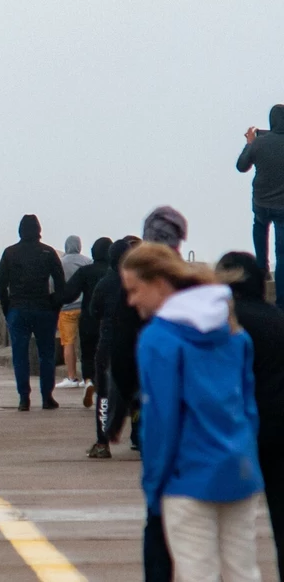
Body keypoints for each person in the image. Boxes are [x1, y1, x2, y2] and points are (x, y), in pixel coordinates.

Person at [123, 243, 263, 582]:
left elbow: (161, 421)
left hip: (188, 478)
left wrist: (154, 486)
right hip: (239, 471)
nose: (131, 301)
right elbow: (248, 408)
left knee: (197, 573)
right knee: (243, 570)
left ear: (159, 283)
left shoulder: (158, 339)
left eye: (134, 289)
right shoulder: (232, 330)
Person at [107, 207, 188, 582]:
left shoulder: (140, 283)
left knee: (158, 523)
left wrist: (130, 399)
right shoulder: (201, 286)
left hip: (161, 411)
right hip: (217, 442)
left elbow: (120, 348)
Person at [217, 251, 284, 582]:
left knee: (227, 529)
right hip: (279, 430)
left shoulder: (224, 323)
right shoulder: (277, 319)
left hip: (234, 434)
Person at [0, 215, 66, 411]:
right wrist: (55, 306)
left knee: (19, 355)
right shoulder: (47, 252)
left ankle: (24, 398)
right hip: (44, 309)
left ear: (20, 230)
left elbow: (1, 284)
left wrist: (7, 308)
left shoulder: (10, 253)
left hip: (18, 309)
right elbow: (60, 283)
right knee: (46, 354)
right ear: (38, 230)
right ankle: (47, 397)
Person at [85, 236, 137, 459]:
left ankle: (102, 442)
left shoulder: (105, 284)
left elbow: (93, 311)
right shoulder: (138, 282)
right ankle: (141, 438)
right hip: (134, 345)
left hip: (108, 345)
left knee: (104, 395)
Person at [237, 104, 284, 310]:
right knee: (282, 254)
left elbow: (241, 166)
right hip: (283, 207)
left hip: (261, 202)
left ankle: (262, 269)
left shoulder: (259, 144)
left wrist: (250, 143)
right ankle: (281, 303)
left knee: (259, 227)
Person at [59, 237, 112, 408]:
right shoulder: (114, 273)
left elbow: (69, 294)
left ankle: (89, 381)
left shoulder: (85, 271)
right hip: (109, 322)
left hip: (88, 319)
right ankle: (106, 386)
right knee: (107, 354)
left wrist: (53, 300)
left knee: (87, 353)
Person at [56, 236, 93, 388]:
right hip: (85, 307)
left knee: (68, 343)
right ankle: (89, 379)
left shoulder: (61, 263)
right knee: (88, 343)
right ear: (79, 246)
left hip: (66, 308)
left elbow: (53, 284)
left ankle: (71, 377)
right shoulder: (87, 262)